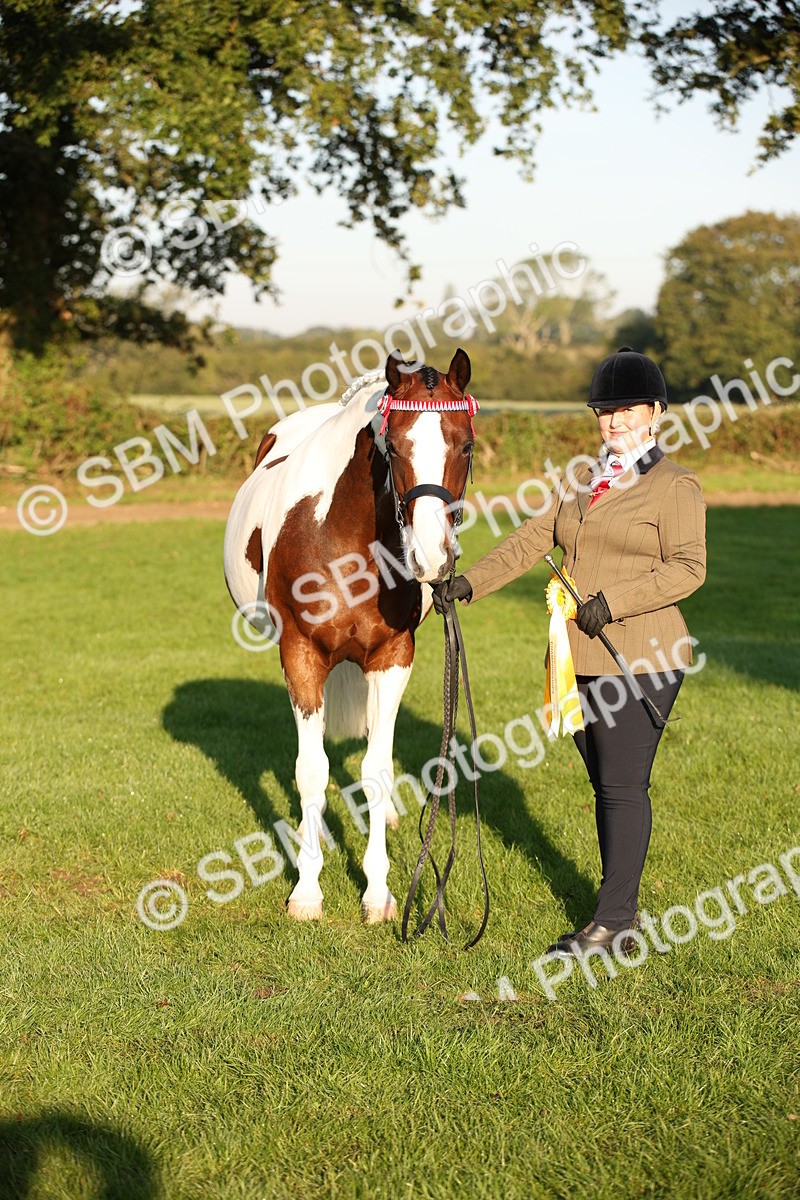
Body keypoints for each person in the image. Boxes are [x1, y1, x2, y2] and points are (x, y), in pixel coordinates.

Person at [433, 347, 706, 958]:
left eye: (626, 410)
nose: (612, 422)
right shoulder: (582, 478)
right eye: (604, 411)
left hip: (643, 653)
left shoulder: (674, 485)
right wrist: (468, 584)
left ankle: (612, 922)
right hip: (577, 656)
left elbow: (689, 568)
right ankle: (619, 912)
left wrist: (613, 599)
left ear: (656, 413)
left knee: (621, 786)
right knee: (603, 782)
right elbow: (532, 540)